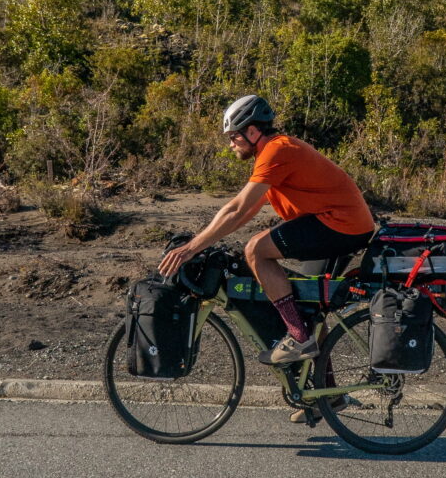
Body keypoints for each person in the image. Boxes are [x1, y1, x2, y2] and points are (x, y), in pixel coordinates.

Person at [158, 95, 375, 368]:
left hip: (341, 224)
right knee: (307, 308)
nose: (230, 144)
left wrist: (191, 249)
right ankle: (325, 397)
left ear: (252, 131)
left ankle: (298, 337)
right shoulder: (272, 154)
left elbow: (238, 210)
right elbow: (241, 209)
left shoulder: (277, 151)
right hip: (343, 225)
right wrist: (198, 241)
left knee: (256, 249)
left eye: (234, 137)